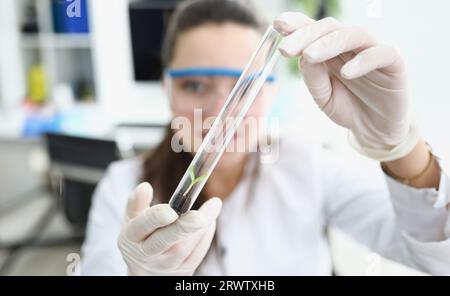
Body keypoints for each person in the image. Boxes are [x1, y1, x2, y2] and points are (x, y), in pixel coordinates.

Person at [81, 0, 450, 276]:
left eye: (246, 88)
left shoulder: (310, 165)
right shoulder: (122, 187)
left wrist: (399, 146)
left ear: (272, 92)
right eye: (195, 85)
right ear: (167, 89)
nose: (221, 111)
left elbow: (434, 257)